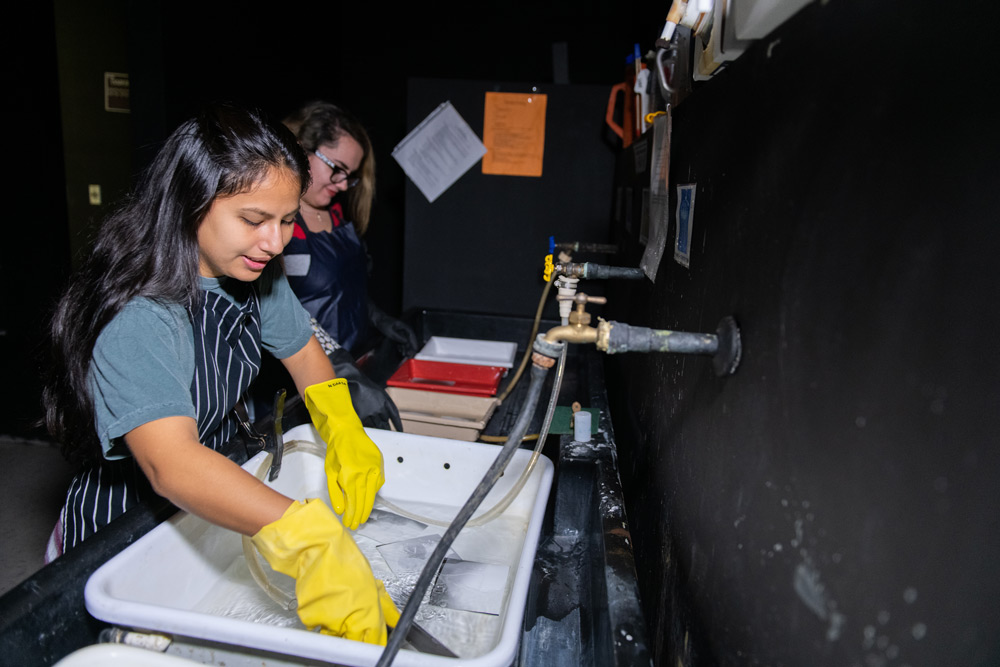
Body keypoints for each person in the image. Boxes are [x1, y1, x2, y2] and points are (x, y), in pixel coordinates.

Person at [41, 104, 398, 645]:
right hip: (118, 534)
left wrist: (342, 426)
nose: (275, 243)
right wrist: (307, 538)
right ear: (190, 204)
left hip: (202, 509)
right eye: (254, 221)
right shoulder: (139, 316)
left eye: (285, 220)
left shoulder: (254, 273)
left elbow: (302, 351)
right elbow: (173, 465)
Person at [278, 101, 418, 429]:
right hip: (298, 385)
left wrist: (378, 317)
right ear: (301, 149)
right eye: (337, 169)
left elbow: (341, 288)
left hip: (353, 371)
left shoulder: (338, 217)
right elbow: (281, 310)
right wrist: (340, 369)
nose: (343, 185)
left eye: (349, 176)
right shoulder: (276, 227)